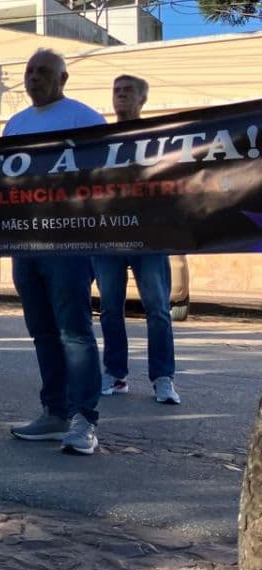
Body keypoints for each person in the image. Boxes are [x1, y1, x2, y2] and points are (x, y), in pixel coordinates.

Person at [5, 48, 107, 455]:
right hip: (25, 244)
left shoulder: (85, 119)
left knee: (74, 332)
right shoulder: (15, 124)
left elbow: (107, 179)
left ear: (63, 79)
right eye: (29, 71)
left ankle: (85, 418)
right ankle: (55, 412)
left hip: (69, 243)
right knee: (42, 331)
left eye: (44, 71)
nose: (34, 78)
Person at [94, 74, 180, 405]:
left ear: (142, 99)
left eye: (127, 91)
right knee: (110, 309)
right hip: (108, 237)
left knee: (157, 309)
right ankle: (115, 375)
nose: (120, 96)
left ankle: (163, 378)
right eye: (116, 91)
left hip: (149, 238)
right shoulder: (99, 140)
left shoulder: (156, 138)